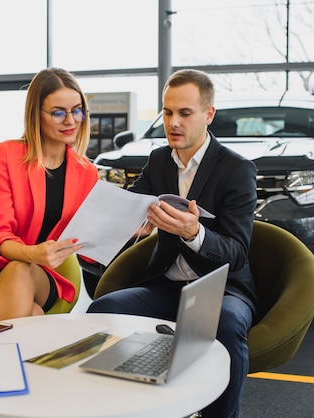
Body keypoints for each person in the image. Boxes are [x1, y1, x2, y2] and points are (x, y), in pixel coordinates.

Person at [87, 69, 259, 418]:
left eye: (185, 113)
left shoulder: (237, 169)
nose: (173, 122)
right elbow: (133, 209)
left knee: (224, 323)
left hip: (223, 289)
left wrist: (193, 233)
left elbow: (237, 254)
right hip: (168, 284)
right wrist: (129, 223)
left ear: (209, 115)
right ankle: (130, 407)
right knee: (102, 310)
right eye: (167, 113)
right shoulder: (158, 160)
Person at [0, 67, 98, 325]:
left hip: (39, 275)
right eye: (58, 112)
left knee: (21, 270)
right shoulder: (7, 155)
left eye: (77, 110)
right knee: (32, 315)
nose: (70, 121)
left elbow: (89, 243)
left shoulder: (87, 172)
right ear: (36, 115)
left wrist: (131, 230)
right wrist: (34, 253)